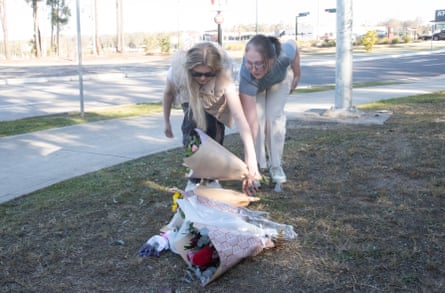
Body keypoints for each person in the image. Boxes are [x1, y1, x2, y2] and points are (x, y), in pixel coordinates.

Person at [163, 42, 260, 195]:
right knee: (192, 131)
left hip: (215, 106)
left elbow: (239, 117)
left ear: (216, 70)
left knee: (213, 133)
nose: (202, 78)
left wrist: (251, 159)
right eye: (197, 74)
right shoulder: (177, 72)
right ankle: (195, 181)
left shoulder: (224, 77)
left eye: (208, 74)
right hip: (191, 102)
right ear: (189, 70)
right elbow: (168, 94)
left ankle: (211, 180)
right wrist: (166, 122)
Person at [238, 34, 301, 185]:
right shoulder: (247, 76)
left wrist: (297, 74)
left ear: (271, 60)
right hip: (255, 86)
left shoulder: (284, 55)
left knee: (274, 118)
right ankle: (257, 166)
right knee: (257, 122)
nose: (253, 68)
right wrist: (249, 163)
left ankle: (276, 165)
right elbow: (250, 125)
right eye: (249, 63)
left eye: (258, 63)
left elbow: (294, 45)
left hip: (279, 80)